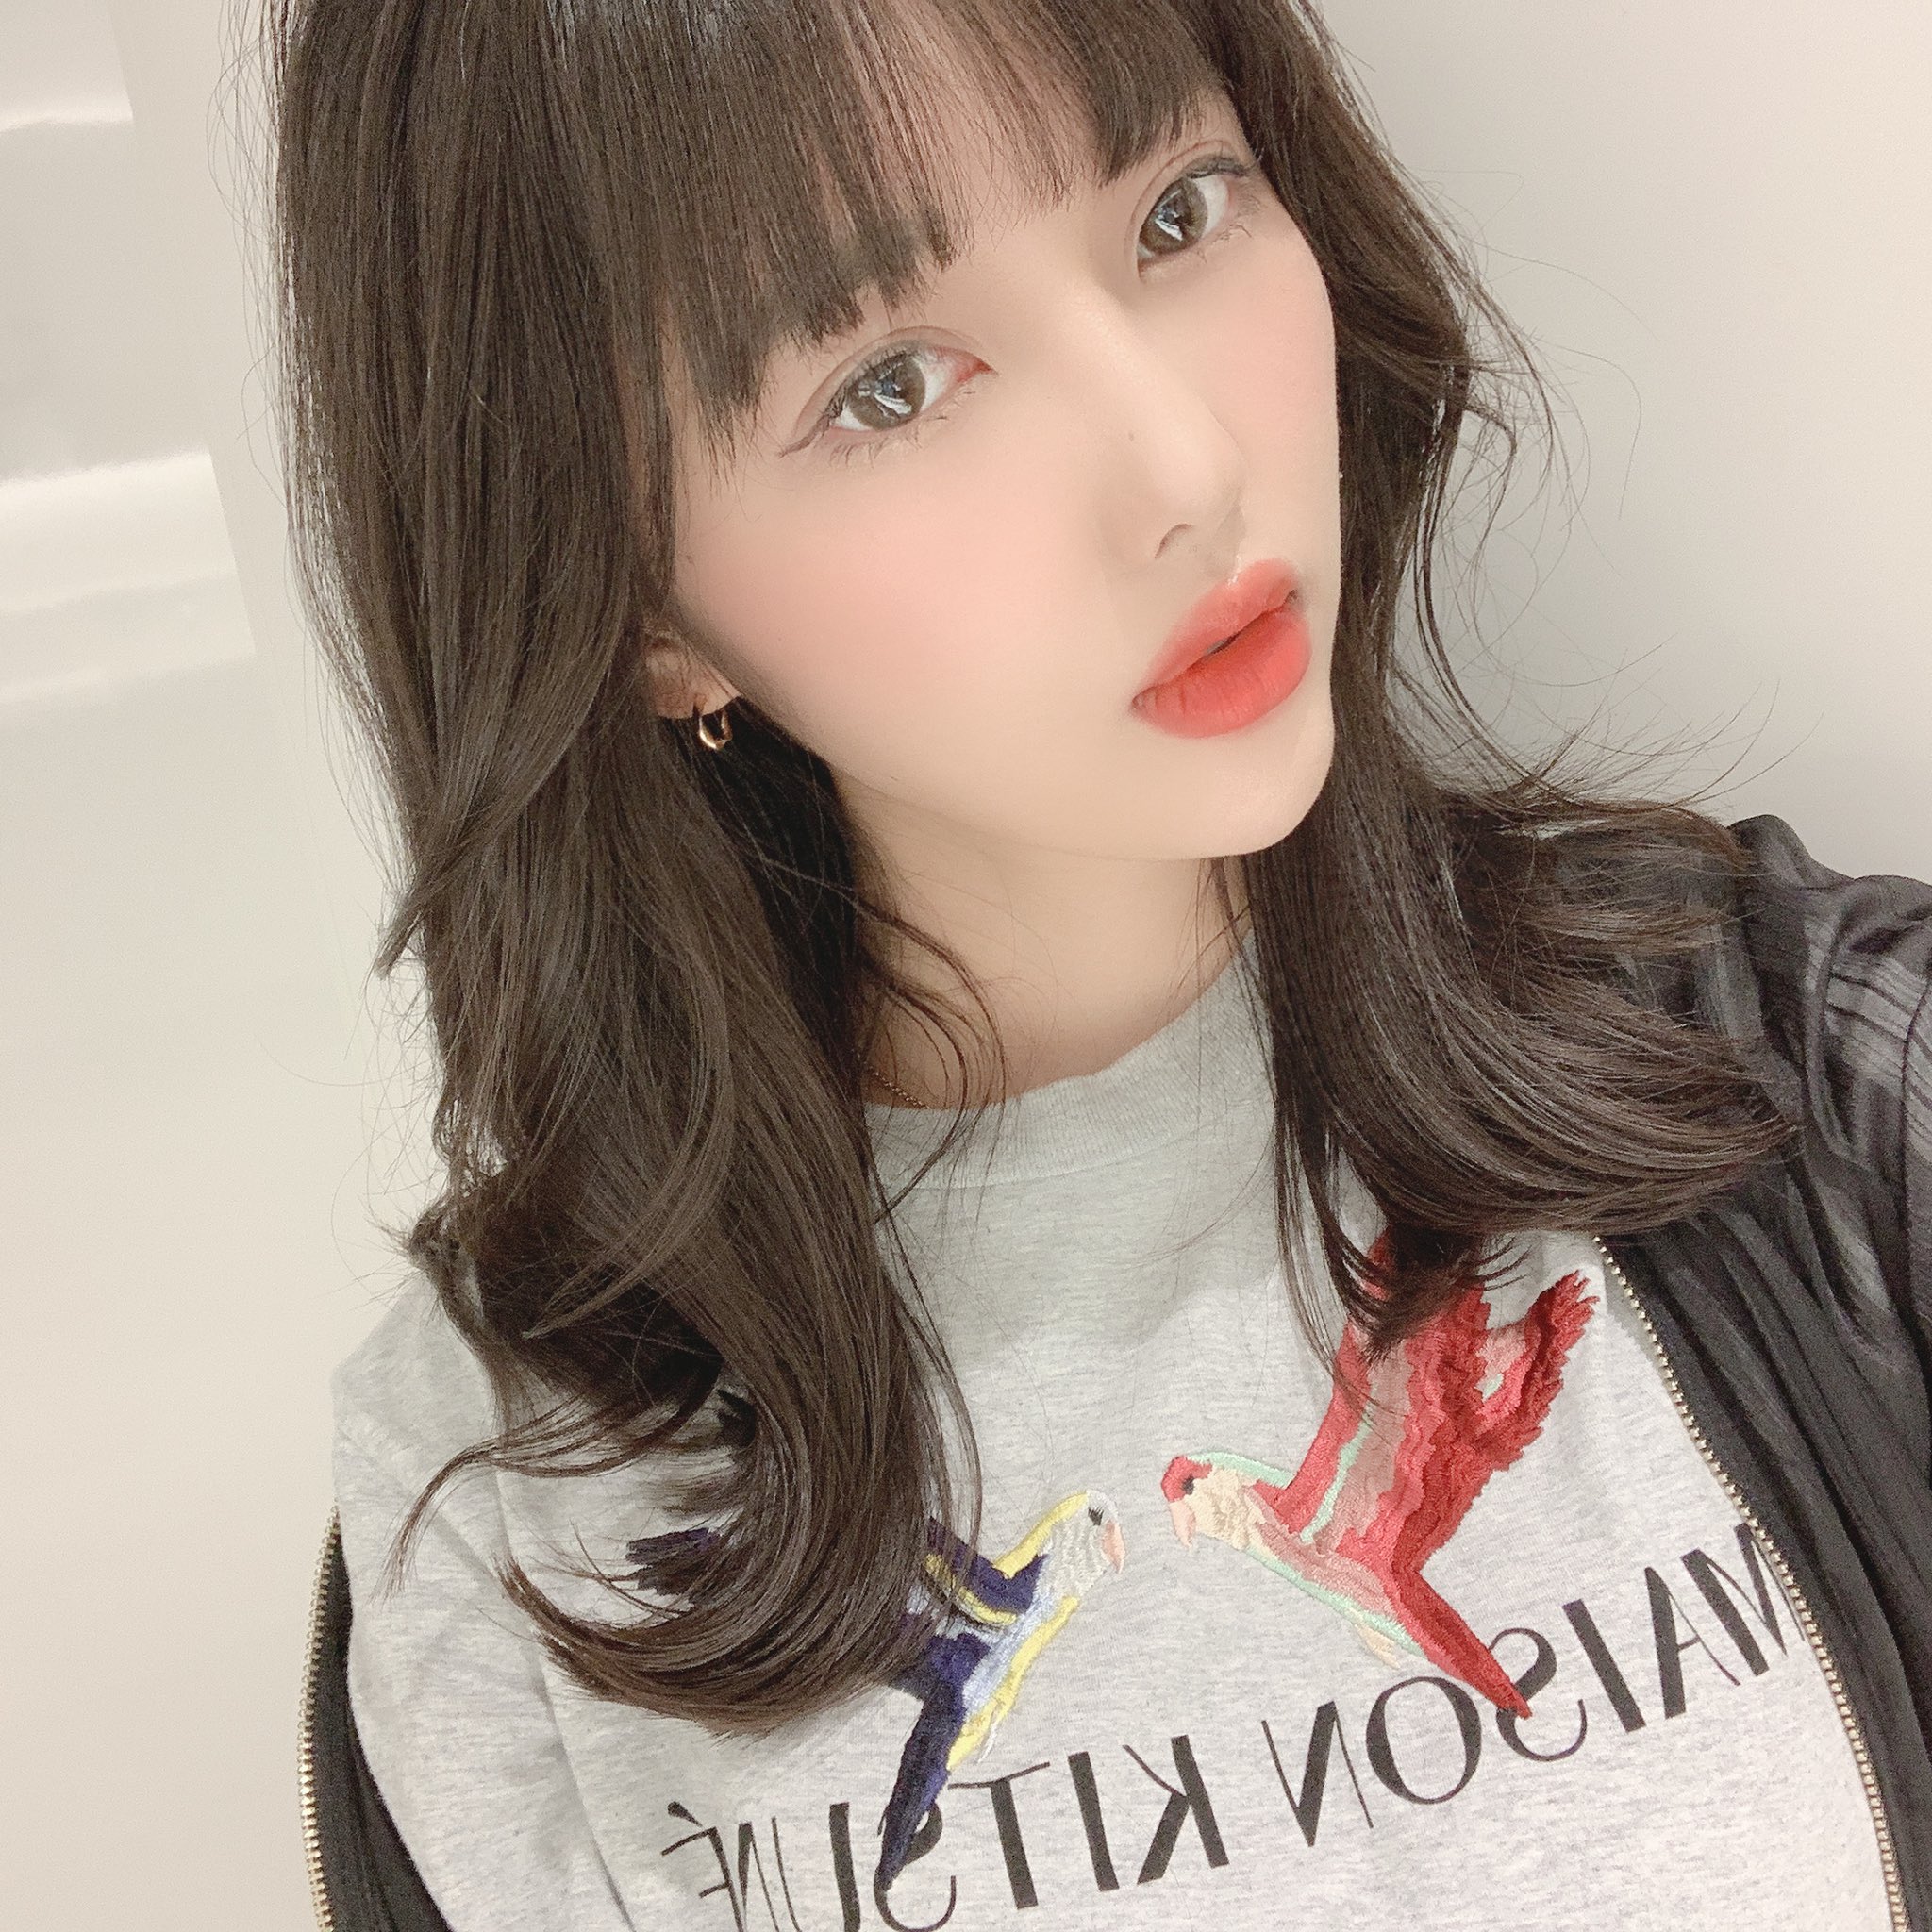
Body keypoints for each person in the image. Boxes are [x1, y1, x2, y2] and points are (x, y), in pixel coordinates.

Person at [265, 1, 1932, 1927]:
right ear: (635, 602)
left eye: (1177, 211)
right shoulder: (512, 1495)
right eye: (891, 383)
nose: (1182, 463)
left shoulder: (1822, 1080)